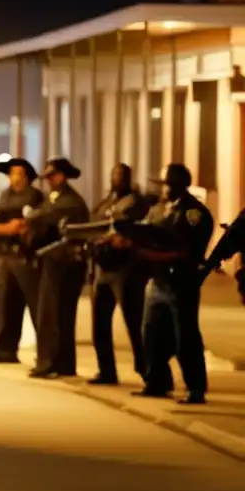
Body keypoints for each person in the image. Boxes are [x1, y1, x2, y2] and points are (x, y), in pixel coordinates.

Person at [123, 163, 213, 404]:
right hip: (157, 281)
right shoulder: (158, 210)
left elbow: (188, 252)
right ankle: (157, 382)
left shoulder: (194, 213)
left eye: (167, 185)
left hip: (180, 282)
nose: (163, 190)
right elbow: (145, 232)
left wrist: (151, 254)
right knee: (150, 333)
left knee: (185, 337)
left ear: (179, 186)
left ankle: (195, 387)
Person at [22, 157, 89, 378]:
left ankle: (49, 362)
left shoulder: (69, 201)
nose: (50, 181)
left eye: (53, 176)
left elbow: (42, 217)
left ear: (62, 176)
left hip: (64, 263)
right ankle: (62, 363)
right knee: (58, 315)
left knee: (52, 315)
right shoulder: (56, 198)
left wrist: (29, 216)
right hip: (54, 262)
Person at [87, 164, 152, 385]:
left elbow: (136, 229)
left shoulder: (136, 203)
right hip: (103, 268)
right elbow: (94, 224)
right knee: (99, 324)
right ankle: (106, 371)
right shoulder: (106, 202)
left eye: (120, 175)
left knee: (134, 324)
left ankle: (148, 372)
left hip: (125, 269)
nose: (117, 178)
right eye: (114, 174)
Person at [0, 157, 44, 364]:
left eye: (18, 173)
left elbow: (26, 226)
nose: (13, 178)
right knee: (4, 305)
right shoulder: (5, 195)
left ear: (27, 177)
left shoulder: (35, 196)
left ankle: (45, 354)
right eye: (11, 173)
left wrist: (10, 228)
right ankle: (4, 350)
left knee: (36, 306)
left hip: (24, 257)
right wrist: (5, 229)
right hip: (4, 256)